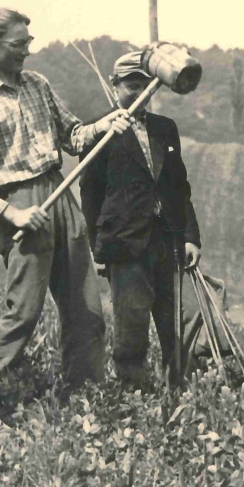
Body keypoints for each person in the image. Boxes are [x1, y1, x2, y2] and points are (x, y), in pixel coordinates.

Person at [0, 9, 113, 390]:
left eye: (29, 42)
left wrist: (103, 126)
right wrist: (10, 213)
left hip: (61, 196)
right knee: (23, 312)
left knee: (86, 309)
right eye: (18, 43)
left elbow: (72, 136)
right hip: (21, 205)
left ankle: (84, 393)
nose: (27, 50)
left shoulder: (37, 85)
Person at [79, 51, 202, 385]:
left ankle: (179, 388)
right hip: (125, 242)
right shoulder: (102, 131)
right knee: (131, 321)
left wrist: (190, 236)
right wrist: (98, 250)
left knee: (173, 322)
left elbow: (179, 187)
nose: (139, 94)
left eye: (146, 87)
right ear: (115, 85)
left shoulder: (165, 129)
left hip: (167, 240)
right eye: (132, 86)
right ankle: (134, 392)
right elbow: (90, 195)